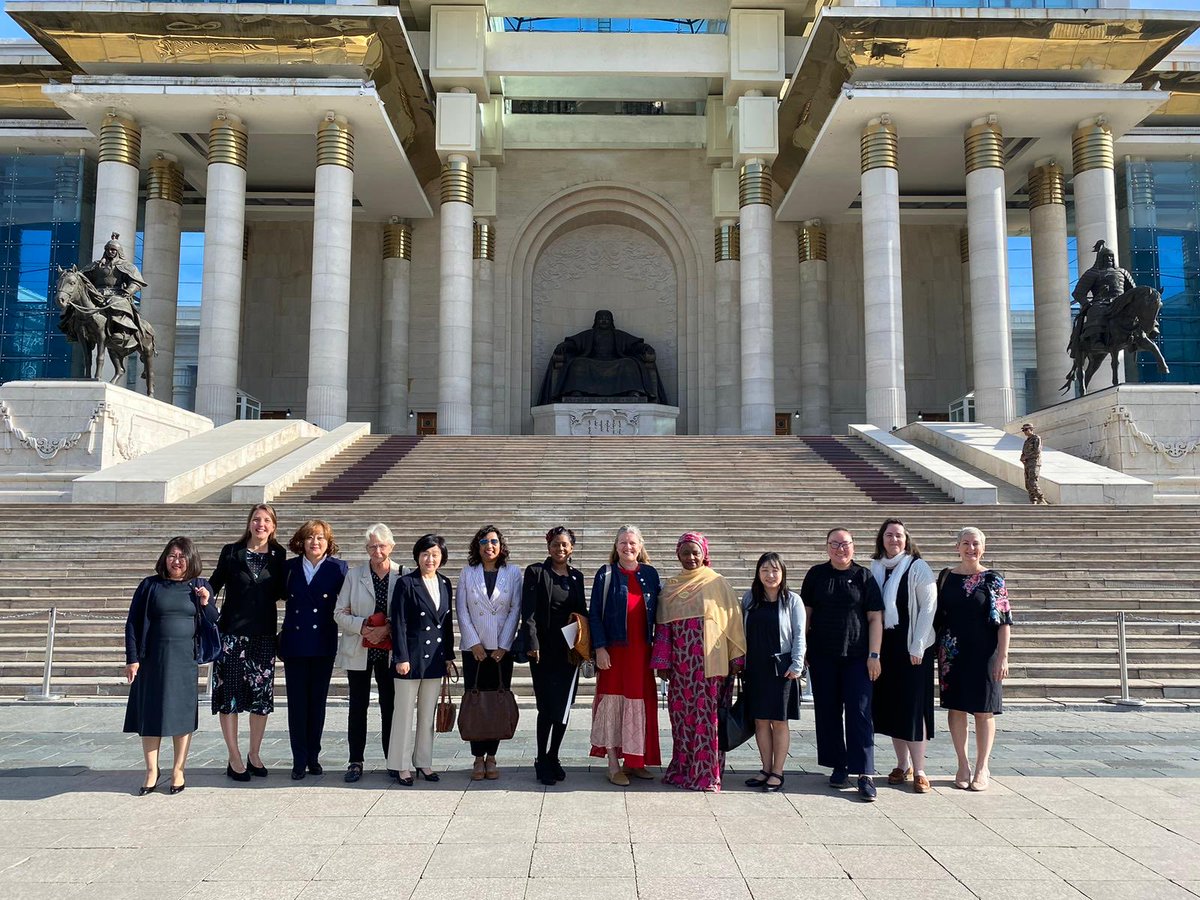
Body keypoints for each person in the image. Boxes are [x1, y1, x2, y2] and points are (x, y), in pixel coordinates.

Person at [651, 532, 746, 792]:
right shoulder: (670, 586)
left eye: (695, 552)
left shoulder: (718, 583)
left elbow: (733, 621)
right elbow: (663, 629)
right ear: (678, 554)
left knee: (707, 719)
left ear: (705, 554)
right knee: (682, 720)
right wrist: (661, 662)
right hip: (681, 668)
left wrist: (737, 656)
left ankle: (706, 774)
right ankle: (682, 770)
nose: (691, 557)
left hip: (711, 667)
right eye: (685, 553)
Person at [123, 537, 214, 795]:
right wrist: (132, 658)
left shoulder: (199, 586)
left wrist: (206, 602)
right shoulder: (149, 586)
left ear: (191, 559)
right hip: (152, 659)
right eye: (172, 556)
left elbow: (213, 621)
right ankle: (152, 770)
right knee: (150, 713)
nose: (176, 561)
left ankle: (178, 770)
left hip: (185, 661)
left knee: (181, 715)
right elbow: (132, 623)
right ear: (165, 558)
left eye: (182, 556)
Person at [801, 527, 885, 801]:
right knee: (828, 711)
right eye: (834, 544)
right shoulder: (816, 575)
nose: (840, 549)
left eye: (845, 544)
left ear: (853, 546)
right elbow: (807, 616)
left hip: (858, 657)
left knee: (860, 712)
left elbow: (875, 618)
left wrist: (874, 655)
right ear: (827, 547)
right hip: (823, 655)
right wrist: (801, 652)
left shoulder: (863, 576)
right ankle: (839, 765)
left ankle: (864, 772)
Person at [208, 503, 287, 782]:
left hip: (263, 637)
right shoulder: (231, 552)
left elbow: (284, 591)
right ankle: (235, 757)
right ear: (249, 523)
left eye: (266, 520)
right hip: (231, 635)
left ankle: (254, 753)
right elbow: (214, 583)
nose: (261, 524)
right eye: (256, 519)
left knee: (260, 698)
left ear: (273, 526)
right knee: (228, 695)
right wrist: (202, 595)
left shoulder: (279, 555)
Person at [936, 526, 1013, 792]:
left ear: (984, 547)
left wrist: (1003, 656)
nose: (971, 548)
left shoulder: (993, 579)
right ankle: (962, 764)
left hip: (986, 653)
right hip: (952, 653)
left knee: (984, 709)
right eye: (966, 543)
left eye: (976, 543)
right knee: (956, 708)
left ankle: (982, 767)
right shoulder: (946, 577)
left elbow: (1004, 621)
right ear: (957, 547)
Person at [589, 524, 663, 786]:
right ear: (616, 546)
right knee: (613, 704)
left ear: (641, 546)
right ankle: (613, 764)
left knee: (639, 704)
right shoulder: (606, 574)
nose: (628, 547)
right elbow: (594, 614)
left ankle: (635, 761)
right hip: (615, 653)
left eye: (632, 543)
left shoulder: (651, 575)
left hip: (642, 654)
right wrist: (599, 648)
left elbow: (662, 614)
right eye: (623, 542)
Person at [869, 519, 938, 794]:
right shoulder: (876, 567)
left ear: (906, 539)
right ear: (881, 539)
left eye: (898, 535)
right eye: (889, 535)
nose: (894, 540)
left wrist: (918, 645)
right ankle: (902, 764)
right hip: (885, 646)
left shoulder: (917, 567)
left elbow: (928, 607)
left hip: (912, 646)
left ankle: (920, 769)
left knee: (913, 706)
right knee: (894, 706)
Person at [334, 524, 404, 783]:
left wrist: (386, 629)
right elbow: (339, 612)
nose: (378, 550)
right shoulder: (354, 575)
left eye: (382, 545)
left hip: (389, 651)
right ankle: (355, 760)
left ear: (391, 547)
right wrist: (364, 627)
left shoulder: (403, 574)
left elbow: (405, 614)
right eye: (372, 546)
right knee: (358, 706)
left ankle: (393, 760)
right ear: (366, 548)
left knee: (390, 706)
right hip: (360, 648)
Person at [280, 519, 348, 780]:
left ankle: (313, 756)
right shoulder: (289, 568)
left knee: (317, 703)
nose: (315, 542)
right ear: (301, 541)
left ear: (328, 542)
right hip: (295, 644)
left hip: (322, 643)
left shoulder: (338, 568)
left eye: (320, 537)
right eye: (310, 537)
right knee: (297, 704)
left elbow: (346, 602)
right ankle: (298, 758)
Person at [521, 526, 587, 786]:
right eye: (556, 544)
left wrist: (584, 647)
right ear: (548, 546)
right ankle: (540, 758)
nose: (560, 549)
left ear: (571, 547)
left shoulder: (577, 576)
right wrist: (532, 641)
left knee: (564, 706)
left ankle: (554, 755)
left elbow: (581, 610)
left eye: (565, 545)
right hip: (543, 650)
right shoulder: (536, 572)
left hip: (569, 651)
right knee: (546, 707)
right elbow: (529, 612)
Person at [456, 525, 523, 781]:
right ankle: (476, 757)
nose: (489, 546)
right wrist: (473, 643)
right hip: (474, 650)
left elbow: (516, 609)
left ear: (501, 545)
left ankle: (492, 756)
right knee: (475, 702)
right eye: (484, 541)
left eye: (494, 541)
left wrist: (504, 645)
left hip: (500, 651)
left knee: (496, 702)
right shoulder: (467, 573)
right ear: (478, 546)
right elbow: (461, 609)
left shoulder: (513, 572)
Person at [388, 533, 455, 785]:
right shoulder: (406, 583)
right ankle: (401, 765)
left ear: (442, 558)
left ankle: (423, 762)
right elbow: (399, 622)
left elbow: (446, 624)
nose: (430, 559)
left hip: (435, 659)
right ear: (417, 556)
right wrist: (401, 657)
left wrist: (448, 655)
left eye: (435, 554)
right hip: (411, 657)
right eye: (425, 554)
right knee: (404, 714)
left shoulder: (445, 583)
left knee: (427, 715)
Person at [741, 552, 805, 793]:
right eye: (765, 570)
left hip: (782, 668)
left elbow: (800, 634)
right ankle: (765, 768)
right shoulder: (749, 599)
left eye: (775, 570)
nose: (770, 575)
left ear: (783, 573)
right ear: (758, 573)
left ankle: (778, 771)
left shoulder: (792, 600)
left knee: (779, 721)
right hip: (755, 667)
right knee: (760, 721)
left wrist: (797, 665)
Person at [1020, 424, 1047, 505]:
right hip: (1027, 463)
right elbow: (1023, 452)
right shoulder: (1027, 441)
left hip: (1034, 463)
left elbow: (1037, 451)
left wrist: (1026, 456)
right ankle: (1033, 500)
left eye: (1026, 429)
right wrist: (1022, 458)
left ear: (1031, 429)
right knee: (1027, 483)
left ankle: (1041, 498)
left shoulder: (1036, 438)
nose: (1024, 431)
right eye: (1023, 430)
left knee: (1032, 481)